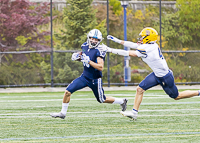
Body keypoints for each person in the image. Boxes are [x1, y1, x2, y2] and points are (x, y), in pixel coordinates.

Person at [103, 27, 200, 120]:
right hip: (156, 74)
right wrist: (117, 40)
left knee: (176, 96)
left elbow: (129, 53)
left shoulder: (147, 48)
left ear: (148, 38)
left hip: (164, 77)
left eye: (142, 36)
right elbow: (133, 45)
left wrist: (110, 50)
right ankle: (134, 113)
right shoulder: (150, 45)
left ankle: (198, 92)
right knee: (140, 89)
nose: (140, 38)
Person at [50, 29, 128, 119]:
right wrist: (77, 56)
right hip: (84, 77)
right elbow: (84, 54)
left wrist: (89, 61)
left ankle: (122, 101)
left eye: (96, 40)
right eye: (92, 38)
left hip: (95, 80)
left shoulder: (100, 50)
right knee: (68, 91)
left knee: (102, 99)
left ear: (99, 41)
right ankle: (63, 113)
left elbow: (100, 67)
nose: (94, 41)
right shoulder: (84, 45)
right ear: (89, 38)